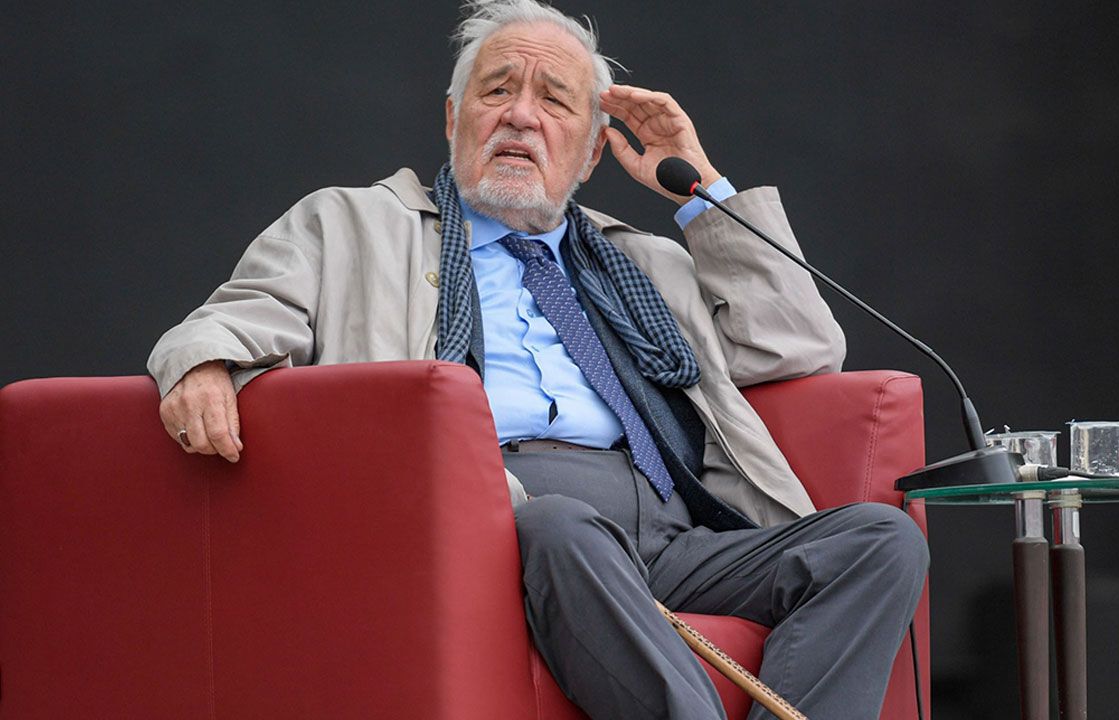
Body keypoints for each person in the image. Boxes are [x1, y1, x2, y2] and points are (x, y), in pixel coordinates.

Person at [147, 1, 928, 718]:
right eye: (496, 91)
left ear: (589, 155)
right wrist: (206, 364)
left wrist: (703, 191)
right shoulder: (351, 226)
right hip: (502, 525)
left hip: (668, 533)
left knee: (879, 542)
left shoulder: (645, 263)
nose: (521, 115)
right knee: (560, 525)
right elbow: (230, 320)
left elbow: (797, 347)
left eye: (554, 101)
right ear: (453, 117)